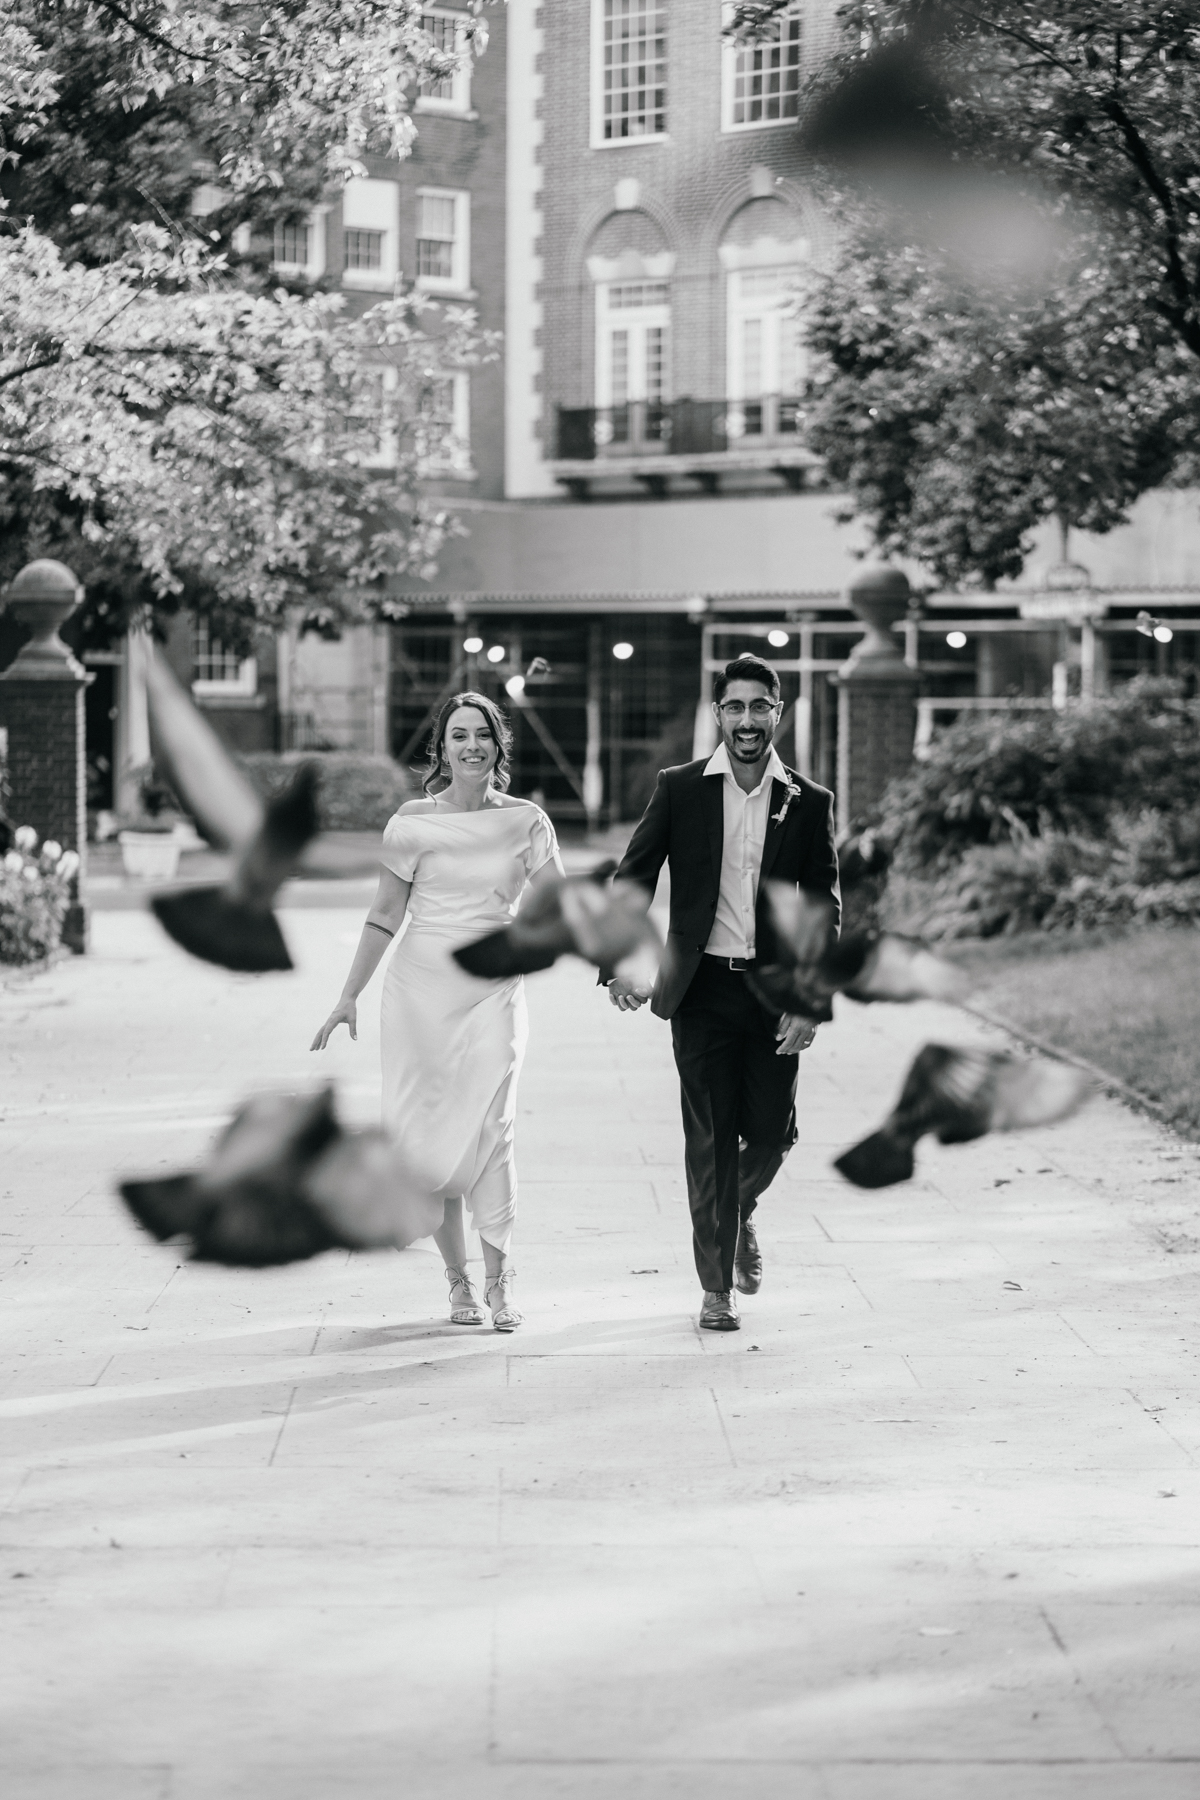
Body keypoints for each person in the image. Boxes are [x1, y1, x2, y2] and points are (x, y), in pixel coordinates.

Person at [311, 691, 563, 1331]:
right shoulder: (412, 823)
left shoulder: (528, 822)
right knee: (431, 1142)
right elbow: (385, 915)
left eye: (482, 734)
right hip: (418, 997)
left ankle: (502, 1282)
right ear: (442, 748)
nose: (471, 745)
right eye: (459, 736)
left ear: (498, 745)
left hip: (495, 991)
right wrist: (348, 995)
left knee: (493, 1128)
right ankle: (458, 1285)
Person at [605, 655, 839, 1332]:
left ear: (777, 714)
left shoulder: (808, 801)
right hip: (701, 989)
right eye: (733, 707)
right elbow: (634, 876)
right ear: (718, 716)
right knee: (709, 1141)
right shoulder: (681, 789)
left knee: (770, 1137)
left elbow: (823, 905)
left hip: (772, 992)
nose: (746, 720)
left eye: (758, 707)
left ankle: (737, 1215)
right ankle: (715, 1287)